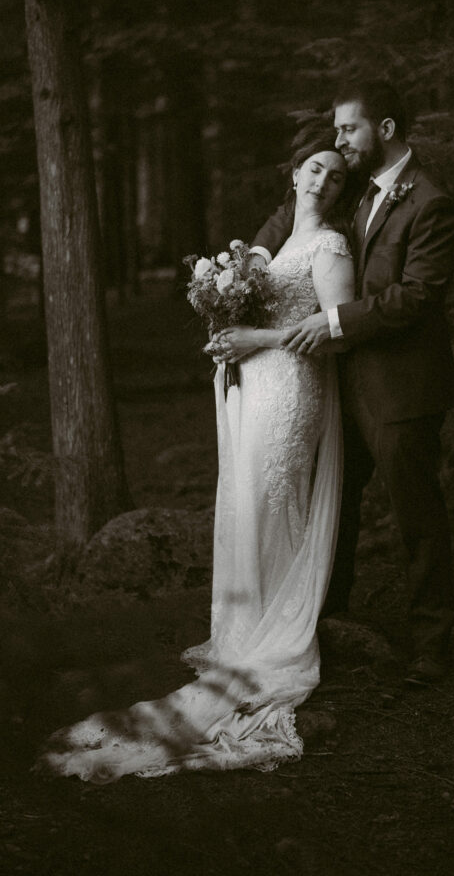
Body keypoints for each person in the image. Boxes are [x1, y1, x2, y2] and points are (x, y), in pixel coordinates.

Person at [38, 123, 356, 782]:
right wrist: (225, 333)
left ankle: (280, 630)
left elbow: (336, 330)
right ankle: (246, 626)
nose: (322, 179)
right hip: (260, 383)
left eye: (335, 173)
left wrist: (256, 339)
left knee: (275, 497)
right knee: (250, 501)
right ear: (293, 175)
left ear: (339, 188)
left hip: (294, 388)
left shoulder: (328, 244)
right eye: (313, 168)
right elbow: (255, 317)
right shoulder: (278, 242)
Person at [251, 80, 454, 685]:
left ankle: (433, 644)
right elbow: (290, 216)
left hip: (404, 388)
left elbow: (418, 295)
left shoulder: (431, 203)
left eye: (348, 128)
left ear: (385, 129)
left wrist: (336, 319)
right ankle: (328, 620)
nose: (338, 140)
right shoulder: (354, 191)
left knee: (415, 513)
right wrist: (254, 261)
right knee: (334, 504)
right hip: (346, 384)